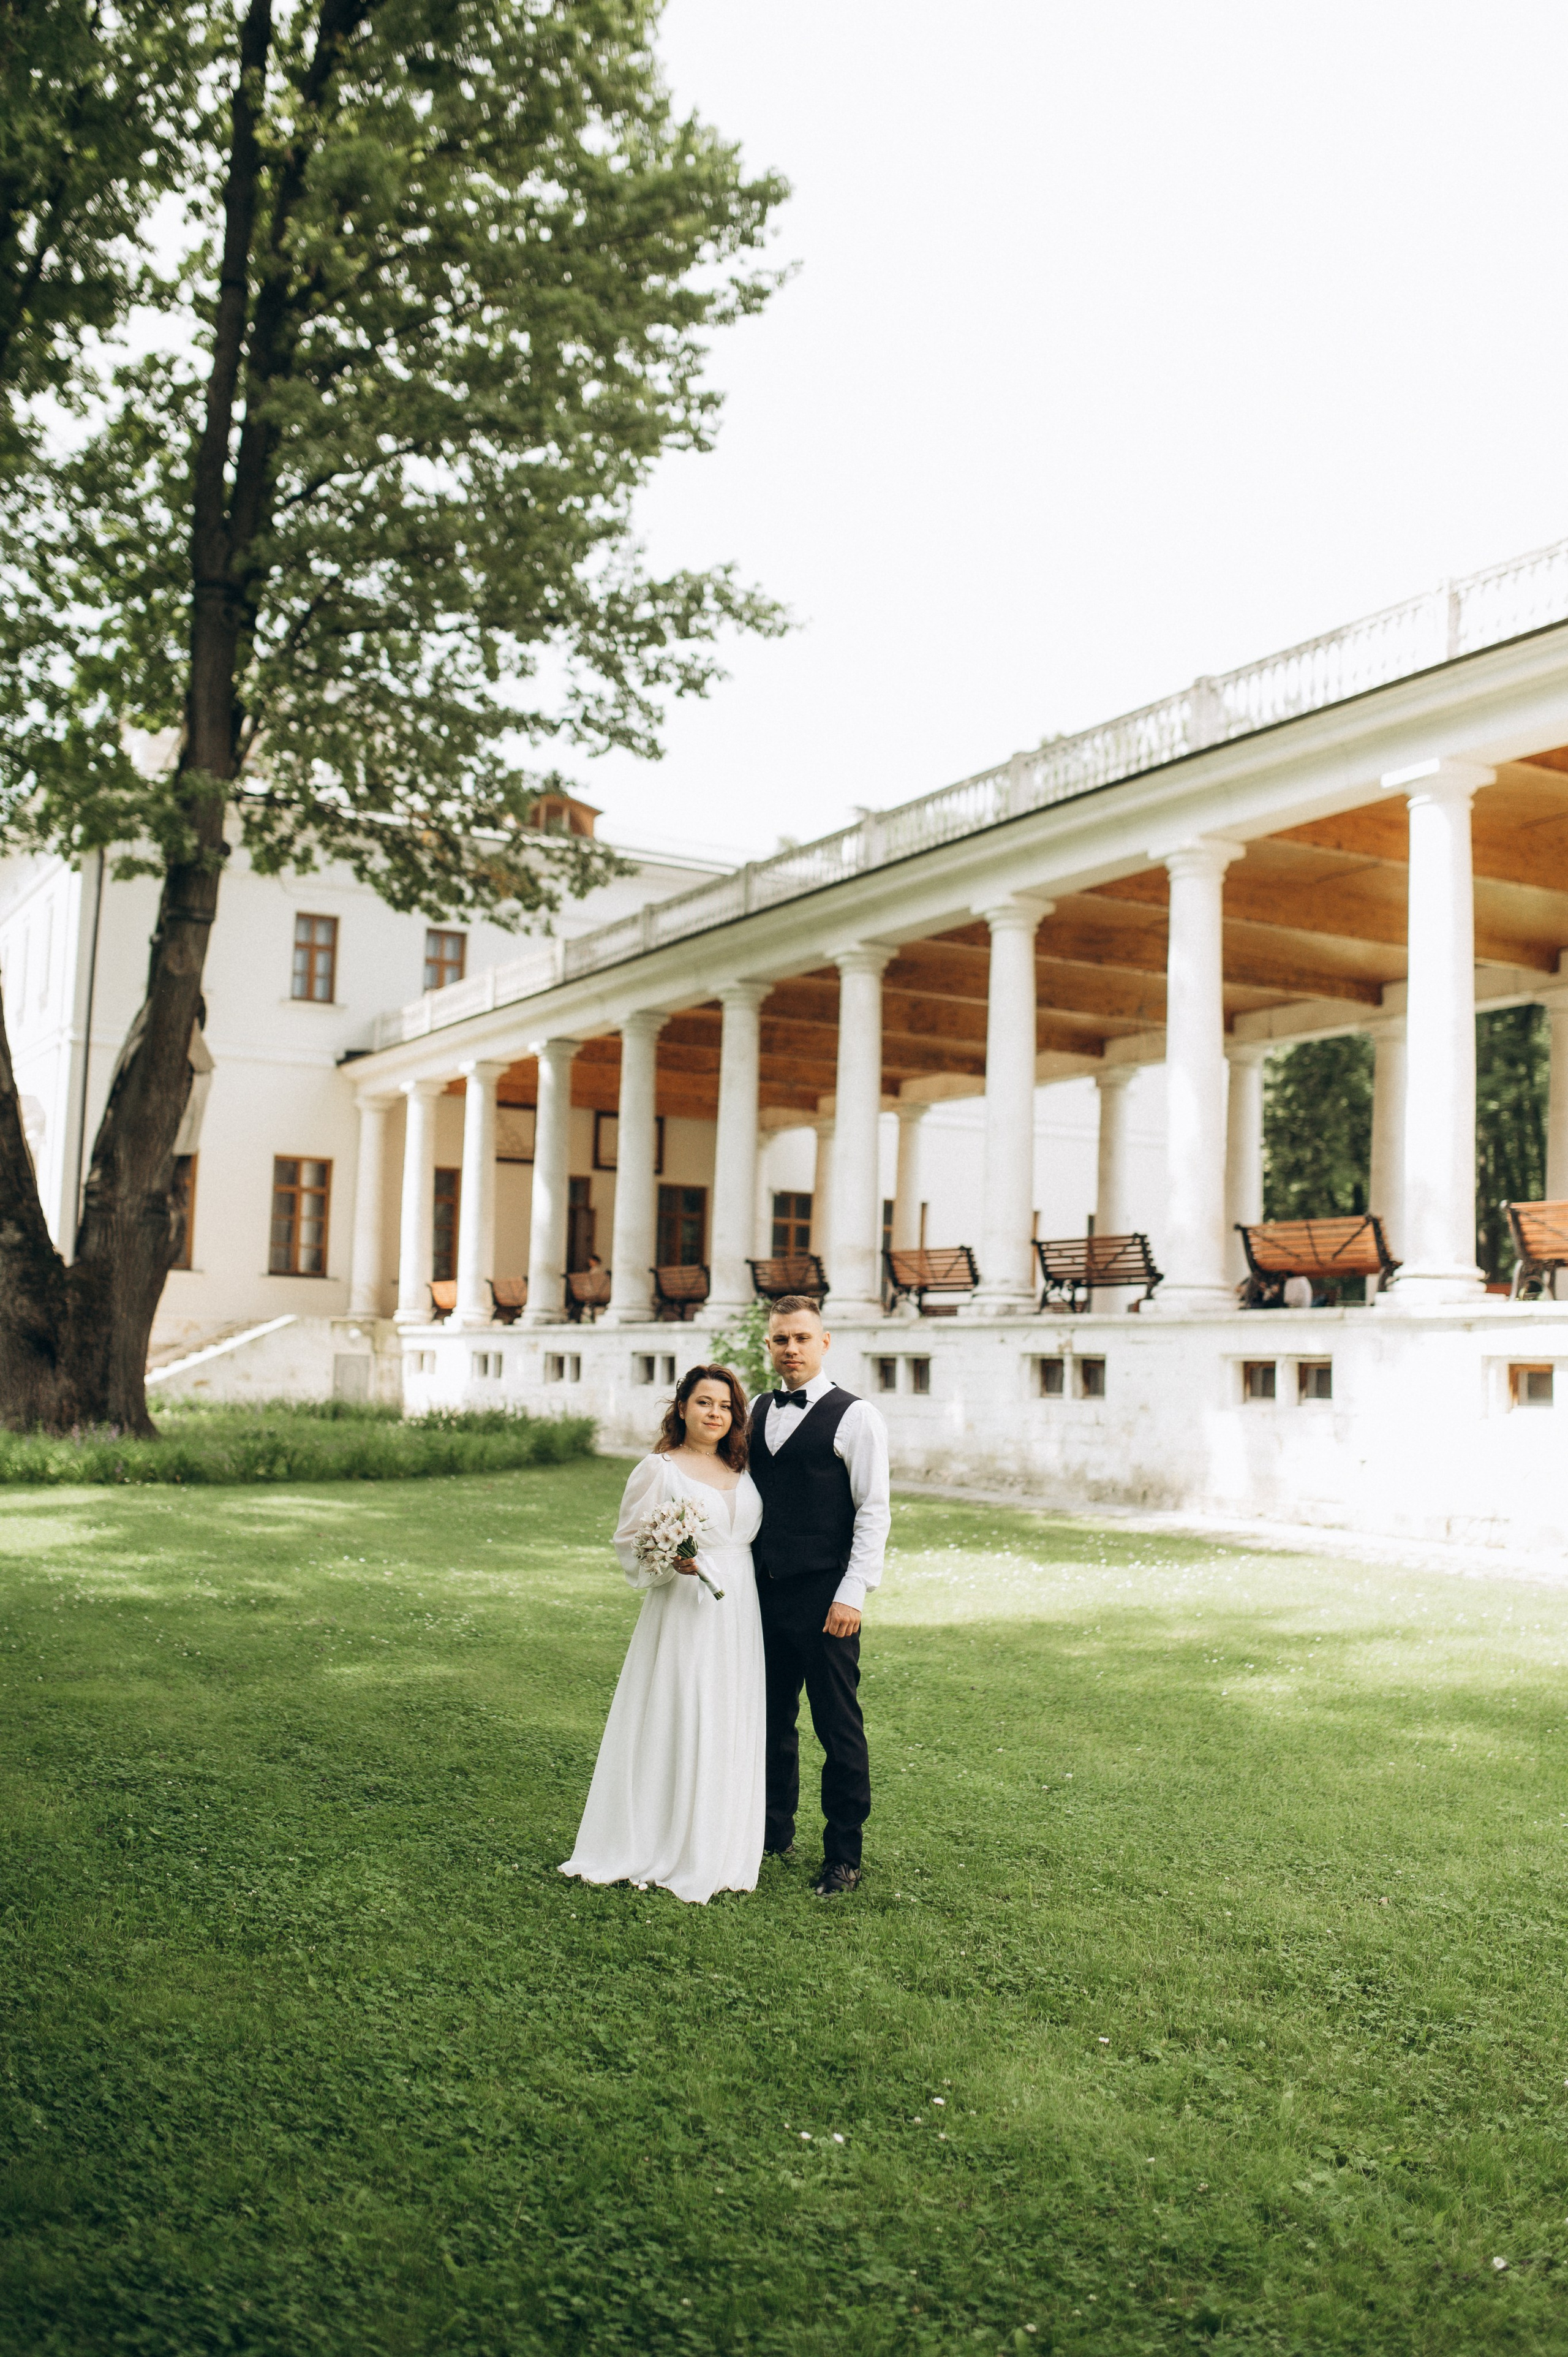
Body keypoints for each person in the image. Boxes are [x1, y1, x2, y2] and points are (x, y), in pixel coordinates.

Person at [560, 1364, 764, 1905]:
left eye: (724, 1405)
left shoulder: (740, 1466)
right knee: (683, 1710)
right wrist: (672, 1561)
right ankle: (660, 1835)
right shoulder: (659, 1468)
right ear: (681, 1408)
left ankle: (719, 1841)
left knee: (727, 1715)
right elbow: (630, 1540)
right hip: (684, 1609)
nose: (714, 1413)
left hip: (740, 1610)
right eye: (703, 1402)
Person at [747, 1296, 891, 1899]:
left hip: (827, 1598)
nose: (791, 1349)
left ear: (824, 1342)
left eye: (801, 1338)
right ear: (770, 1346)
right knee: (770, 1719)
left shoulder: (857, 1417)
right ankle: (772, 1830)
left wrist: (852, 1592)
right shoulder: (754, 1409)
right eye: (781, 1339)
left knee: (837, 1725)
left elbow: (873, 1511)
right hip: (761, 1594)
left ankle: (843, 1855)